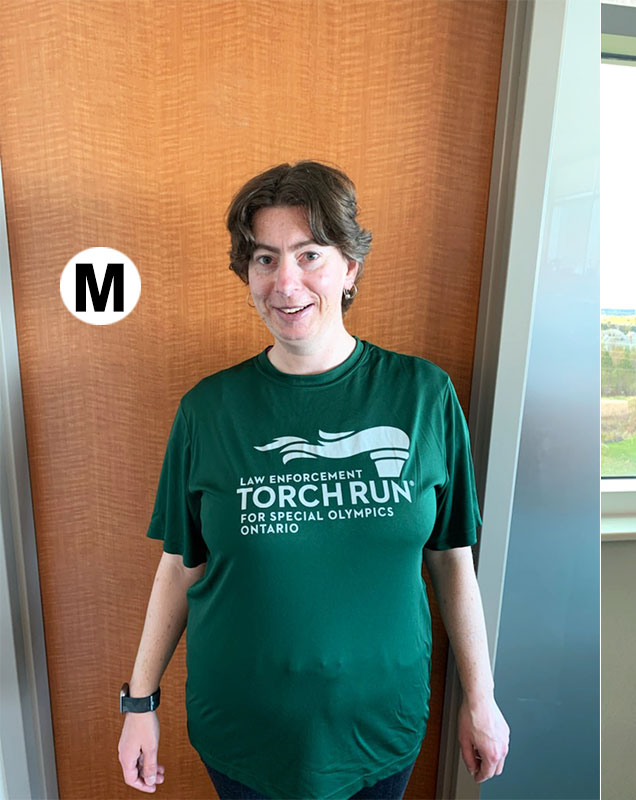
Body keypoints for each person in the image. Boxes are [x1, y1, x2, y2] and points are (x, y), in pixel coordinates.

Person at [117, 161, 509, 799]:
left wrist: (482, 698)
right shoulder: (208, 411)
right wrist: (139, 704)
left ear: (350, 266)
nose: (286, 283)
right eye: (265, 259)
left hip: (380, 732)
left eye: (310, 255)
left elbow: (451, 560)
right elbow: (179, 567)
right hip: (244, 733)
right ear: (246, 274)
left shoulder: (423, 396)